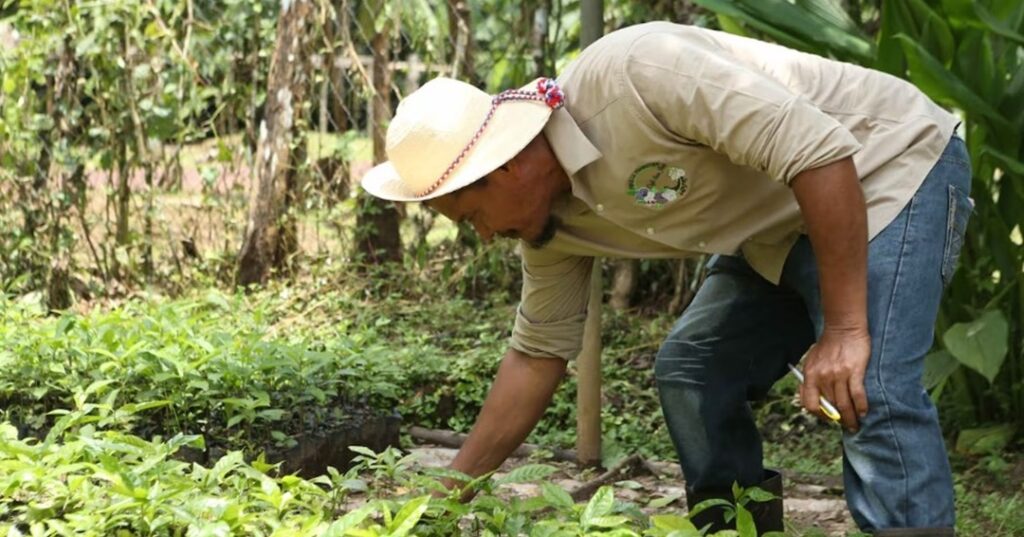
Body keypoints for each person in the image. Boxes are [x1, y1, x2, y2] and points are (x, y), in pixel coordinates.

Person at [361, 22, 970, 536]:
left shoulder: (636, 76)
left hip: (885, 168)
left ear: (509, 165)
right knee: (693, 370)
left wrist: (843, 329)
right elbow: (537, 355)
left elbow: (820, 155)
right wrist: (447, 495)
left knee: (867, 386)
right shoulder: (549, 225)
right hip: (777, 224)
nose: (485, 237)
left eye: (472, 218)